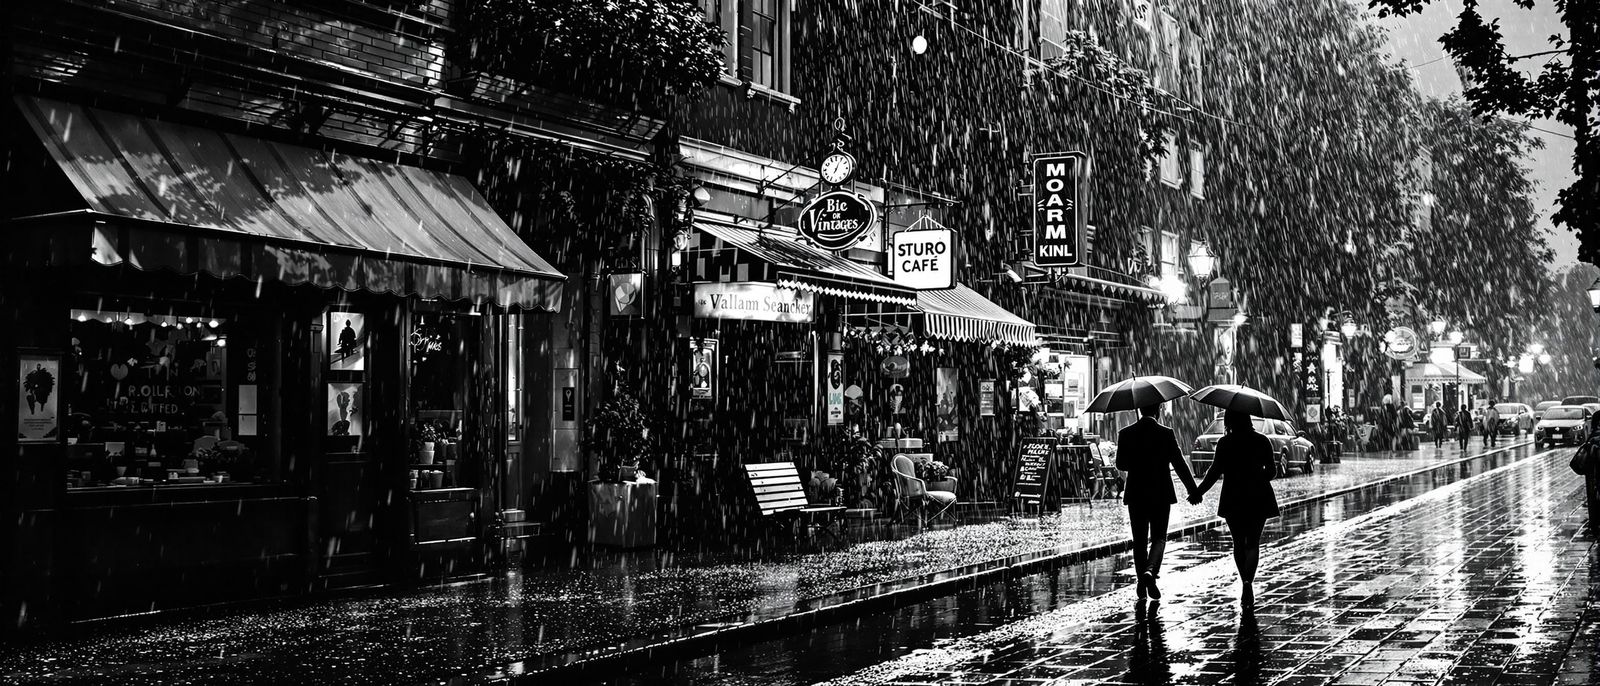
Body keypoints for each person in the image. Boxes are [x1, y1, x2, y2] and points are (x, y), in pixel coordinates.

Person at [1190, 409, 1280, 604]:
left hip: (1233, 496)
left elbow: (1214, 472)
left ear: (1228, 422)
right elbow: (1272, 471)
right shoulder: (1262, 441)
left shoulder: (1225, 443)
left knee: (1238, 541)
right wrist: (1257, 478)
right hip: (1258, 496)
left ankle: (1244, 582)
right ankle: (1250, 582)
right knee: (1253, 541)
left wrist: (1198, 492)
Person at [1116, 402, 1200, 601]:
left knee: (1139, 540)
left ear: (1140, 409)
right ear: (1158, 410)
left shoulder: (1126, 433)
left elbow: (1121, 463)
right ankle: (1150, 572)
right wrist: (1193, 490)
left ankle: (1141, 582)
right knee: (1159, 538)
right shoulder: (1166, 433)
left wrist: (1137, 460)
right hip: (1161, 493)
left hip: (1136, 494)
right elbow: (1179, 463)